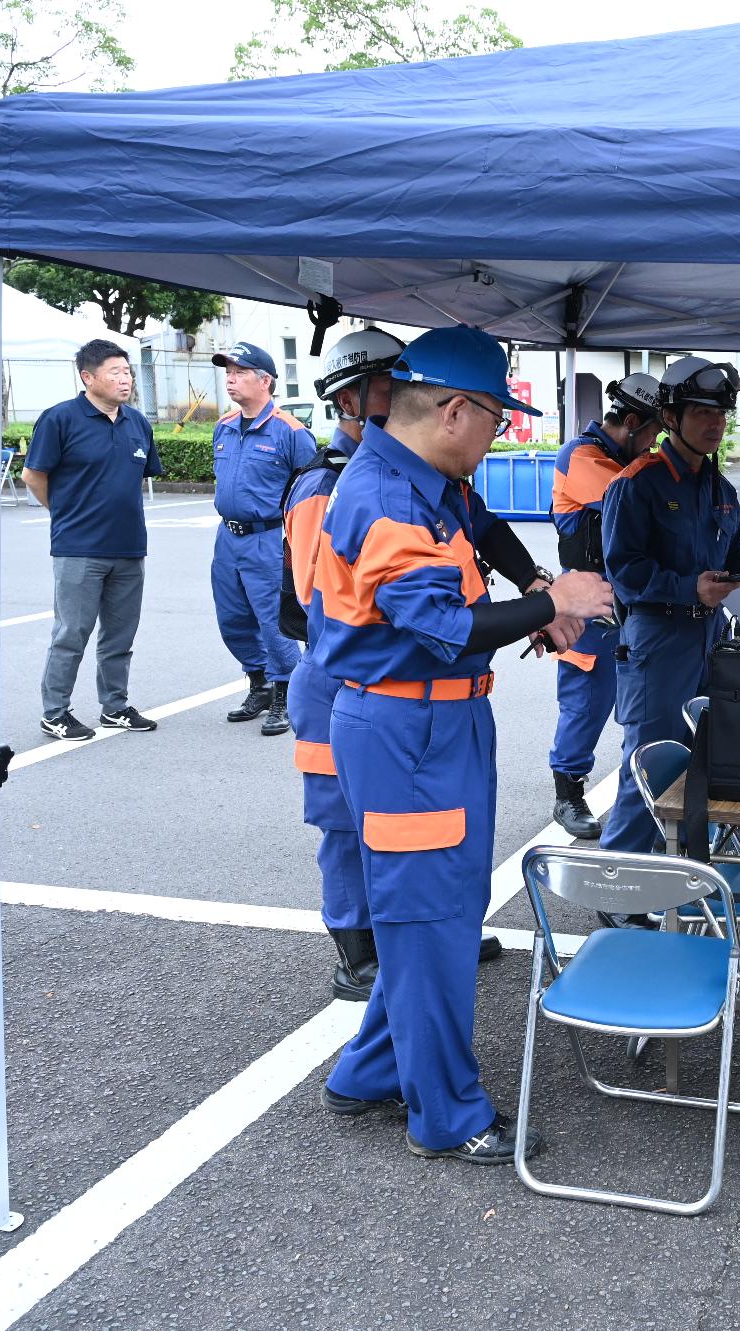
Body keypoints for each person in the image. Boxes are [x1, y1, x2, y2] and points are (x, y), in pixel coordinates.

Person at [313, 325, 612, 1164]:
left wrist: (538, 590)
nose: (501, 434)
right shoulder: (384, 499)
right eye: (497, 418)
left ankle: (369, 1070)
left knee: (434, 915)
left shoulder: (426, 476)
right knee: (433, 926)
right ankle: (445, 1114)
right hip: (407, 727)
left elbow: (484, 528)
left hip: (437, 719)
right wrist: (564, 601)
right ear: (454, 410)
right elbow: (442, 623)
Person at [599, 356, 740, 856]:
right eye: (702, 412)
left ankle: (682, 870)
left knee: (703, 761)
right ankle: (617, 889)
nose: (715, 424)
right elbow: (625, 571)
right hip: (659, 642)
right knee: (649, 766)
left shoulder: (718, 488)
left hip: (711, 640)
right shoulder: (637, 484)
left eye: (722, 413)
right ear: (670, 416)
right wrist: (689, 589)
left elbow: (733, 553)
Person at [281, 327, 404, 1001]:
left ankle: (406, 930)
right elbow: (315, 597)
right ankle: (356, 950)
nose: (404, 401)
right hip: (332, 678)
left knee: (397, 819)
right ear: (350, 400)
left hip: (382, 679)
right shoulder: (322, 488)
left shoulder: (405, 477)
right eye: (390, 387)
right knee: (341, 822)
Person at [24, 339, 163, 741]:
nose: (126, 379)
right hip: (79, 548)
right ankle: (55, 712)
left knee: (120, 635)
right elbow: (34, 476)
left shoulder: (138, 423)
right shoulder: (60, 419)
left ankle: (115, 706)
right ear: (88, 377)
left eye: (127, 371)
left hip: (129, 547)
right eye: (115, 372)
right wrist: (65, 514)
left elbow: (138, 477)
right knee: (71, 634)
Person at [545, 372, 664, 839]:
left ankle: (640, 789)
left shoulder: (629, 458)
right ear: (632, 421)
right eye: (654, 431)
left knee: (638, 700)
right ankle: (568, 791)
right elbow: (629, 498)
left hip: (631, 602)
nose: (656, 442)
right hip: (587, 604)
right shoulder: (580, 456)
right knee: (585, 701)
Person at [210, 341, 317, 736]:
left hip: (269, 539)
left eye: (239, 372)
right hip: (229, 538)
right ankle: (258, 683)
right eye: (228, 373)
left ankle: (284, 694)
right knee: (232, 618)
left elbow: (311, 490)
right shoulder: (223, 426)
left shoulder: (290, 432)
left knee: (274, 621)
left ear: (265, 380)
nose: (231, 380)